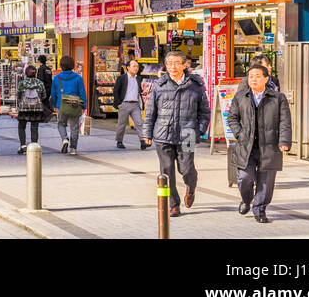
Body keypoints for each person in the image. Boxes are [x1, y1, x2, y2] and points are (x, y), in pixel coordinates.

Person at [141, 51, 210, 217]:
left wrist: (199, 130)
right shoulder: (160, 84)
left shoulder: (196, 84)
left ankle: (191, 187)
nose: (173, 66)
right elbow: (150, 111)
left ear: (185, 65)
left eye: (177, 62)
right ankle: (174, 204)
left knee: (187, 169)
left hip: (187, 133)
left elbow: (205, 111)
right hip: (163, 133)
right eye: (170, 62)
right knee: (167, 171)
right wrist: (147, 133)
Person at [227, 63, 291, 224]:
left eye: (257, 76)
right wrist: (240, 134)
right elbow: (232, 118)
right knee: (244, 178)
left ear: (266, 79)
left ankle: (260, 209)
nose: (253, 79)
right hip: (246, 145)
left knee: (266, 181)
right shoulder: (241, 96)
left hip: (269, 145)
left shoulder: (278, 98)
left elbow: (285, 122)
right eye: (251, 76)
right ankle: (246, 199)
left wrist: (284, 141)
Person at [52, 55, 87, 155]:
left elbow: (53, 93)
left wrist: (55, 105)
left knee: (61, 124)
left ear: (61, 65)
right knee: (74, 127)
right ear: (72, 65)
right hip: (75, 105)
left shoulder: (57, 78)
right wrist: (84, 106)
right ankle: (73, 149)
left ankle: (64, 139)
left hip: (61, 105)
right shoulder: (78, 78)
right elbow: (82, 93)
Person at [113, 57, 150, 150]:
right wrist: (118, 104)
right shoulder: (122, 78)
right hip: (124, 104)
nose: (136, 68)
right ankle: (119, 141)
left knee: (139, 123)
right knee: (122, 124)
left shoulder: (138, 78)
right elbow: (116, 91)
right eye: (134, 66)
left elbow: (139, 90)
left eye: (137, 66)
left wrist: (143, 92)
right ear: (128, 68)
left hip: (135, 104)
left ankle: (142, 141)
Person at [15, 64, 48, 153]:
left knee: (21, 126)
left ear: (26, 73)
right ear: (35, 74)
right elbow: (44, 95)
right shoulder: (40, 83)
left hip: (24, 108)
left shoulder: (22, 83)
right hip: (37, 108)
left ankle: (23, 145)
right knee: (34, 127)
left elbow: (18, 95)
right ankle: (34, 146)